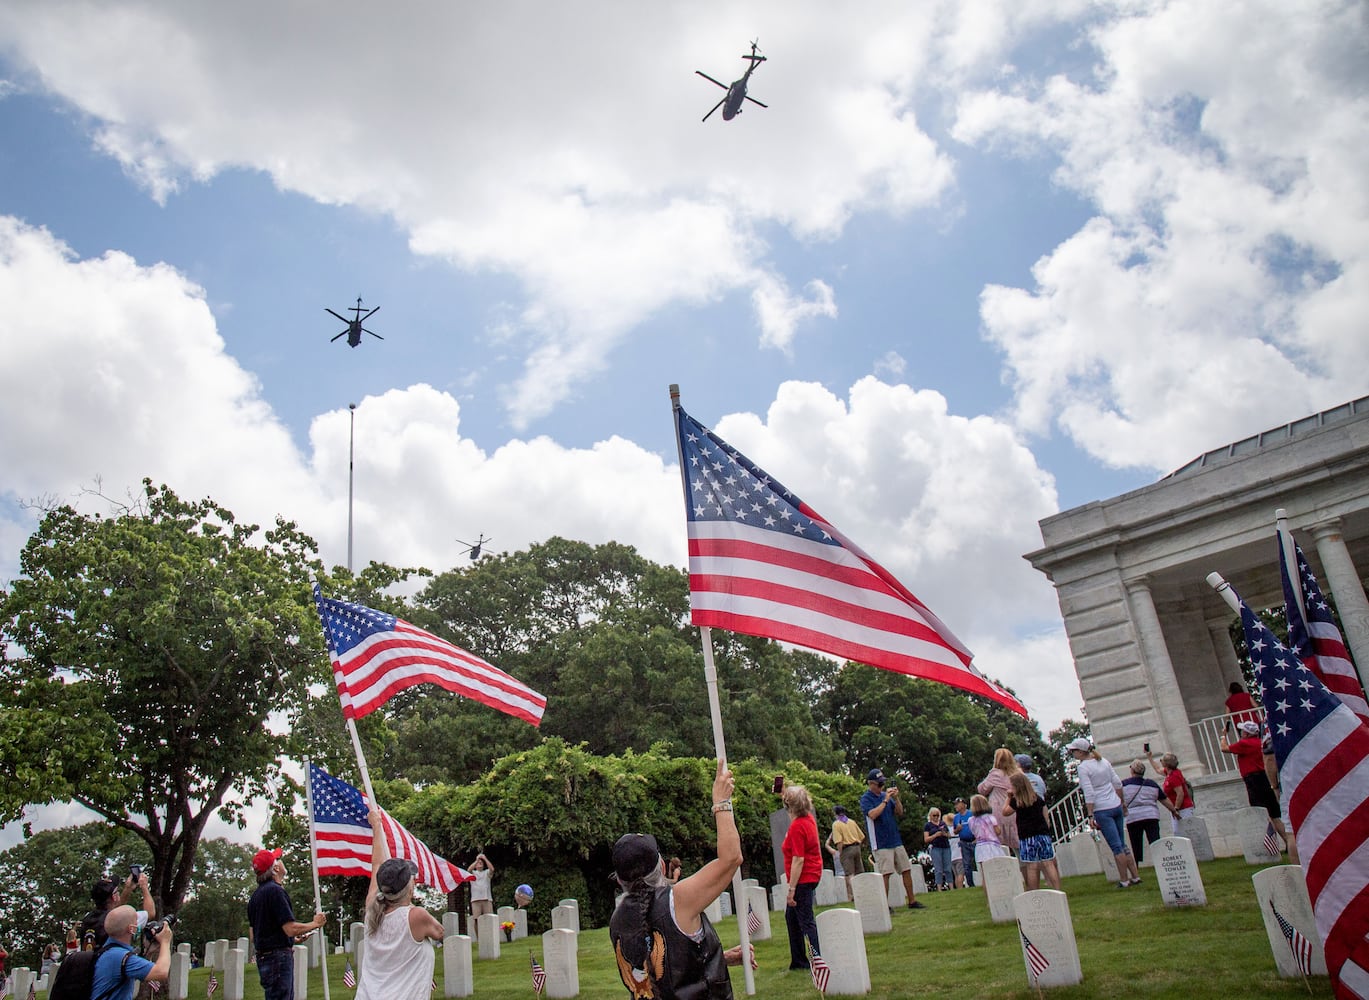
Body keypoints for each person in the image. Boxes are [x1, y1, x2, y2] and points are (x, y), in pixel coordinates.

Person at [610, 759, 749, 999]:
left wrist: (720, 958)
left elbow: (653, 973)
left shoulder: (618, 920)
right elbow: (731, 859)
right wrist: (721, 802)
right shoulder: (678, 900)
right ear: (661, 866)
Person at [355, 808, 444, 999]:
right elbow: (439, 932)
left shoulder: (372, 908)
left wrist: (377, 827)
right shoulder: (416, 916)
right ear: (409, 888)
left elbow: (376, 865)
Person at [247, 846, 327, 1000]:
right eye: (278, 859)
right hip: (278, 959)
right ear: (275, 868)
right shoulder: (276, 891)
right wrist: (315, 923)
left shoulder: (255, 897)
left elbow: (254, 935)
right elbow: (290, 928)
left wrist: (291, 940)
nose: (282, 861)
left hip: (265, 958)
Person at [1067, 737, 1141, 888]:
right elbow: (1118, 784)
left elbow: (1089, 793)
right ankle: (1135, 876)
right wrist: (1122, 803)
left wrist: (1090, 814)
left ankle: (1124, 880)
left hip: (1102, 808)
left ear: (1081, 752)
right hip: (1115, 804)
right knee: (1122, 842)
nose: (1072, 753)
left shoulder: (1084, 768)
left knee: (1116, 846)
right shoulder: (1103, 761)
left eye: (1073, 751)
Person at [1220, 720, 1292, 854]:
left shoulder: (1245, 744)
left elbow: (1224, 748)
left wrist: (1223, 736)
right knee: (1275, 813)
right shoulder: (1260, 743)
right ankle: (1288, 841)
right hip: (1265, 777)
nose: (1241, 733)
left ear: (1247, 733)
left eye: (1242, 731)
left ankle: (1270, 845)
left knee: (1261, 812)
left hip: (1253, 779)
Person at [859, 768, 925, 909]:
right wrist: (885, 800)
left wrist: (896, 798)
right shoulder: (866, 798)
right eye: (879, 784)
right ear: (871, 784)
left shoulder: (886, 796)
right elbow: (872, 815)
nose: (881, 787)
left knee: (906, 869)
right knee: (886, 873)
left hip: (895, 839)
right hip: (881, 842)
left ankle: (912, 901)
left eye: (882, 784)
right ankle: (885, 905)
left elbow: (899, 812)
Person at [780, 784, 822, 971]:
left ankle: (816, 959)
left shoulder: (797, 827)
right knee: (792, 918)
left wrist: (792, 889)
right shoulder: (808, 819)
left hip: (803, 879)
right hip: (812, 874)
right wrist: (786, 795)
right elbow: (792, 810)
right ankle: (798, 960)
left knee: (805, 920)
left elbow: (798, 859)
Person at [92, 905, 172, 1000]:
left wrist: (148, 951)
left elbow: (136, 970)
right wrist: (165, 942)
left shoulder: (109, 950)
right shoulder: (119, 956)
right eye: (136, 920)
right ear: (132, 929)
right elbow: (161, 972)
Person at [1001, 773, 1061, 891]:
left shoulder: (1017, 801)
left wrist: (1008, 797)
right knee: (1048, 864)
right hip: (1042, 833)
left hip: (1027, 836)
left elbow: (1005, 812)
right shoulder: (1036, 798)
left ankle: (1034, 892)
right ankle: (1058, 890)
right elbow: (1045, 814)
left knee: (1032, 866)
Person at [80, 873, 156, 949]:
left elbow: (115, 912)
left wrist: (127, 889)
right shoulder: (120, 921)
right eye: (117, 891)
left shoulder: (87, 918)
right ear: (114, 897)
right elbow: (150, 913)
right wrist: (144, 887)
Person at [1121, 759, 1174, 862]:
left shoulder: (1124, 784)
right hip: (1151, 816)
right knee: (1155, 841)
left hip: (1133, 817)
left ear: (1132, 770)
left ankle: (1136, 868)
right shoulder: (1151, 784)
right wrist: (1174, 810)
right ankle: (1160, 862)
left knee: (1135, 844)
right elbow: (1164, 799)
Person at [978, 749, 1022, 854]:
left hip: (999, 812)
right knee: (1019, 845)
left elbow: (982, 789)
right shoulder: (1018, 775)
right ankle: (1025, 868)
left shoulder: (995, 774)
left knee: (1000, 846)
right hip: (1015, 810)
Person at [1146, 749, 1195, 833]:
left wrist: (1176, 808)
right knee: (1178, 833)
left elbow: (1180, 793)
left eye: (1162, 760)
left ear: (1167, 764)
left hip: (1183, 809)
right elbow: (1157, 769)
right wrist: (1150, 757)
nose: (1160, 761)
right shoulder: (1169, 773)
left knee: (1184, 833)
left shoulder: (1174, 776)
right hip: (1177, 810)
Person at [824, 805, 865, 902]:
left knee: (849, 873)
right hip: (856, 847)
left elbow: (839, 841)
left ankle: (853, 895)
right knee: (859, 872)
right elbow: (862, 836)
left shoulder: (836, 824)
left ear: (835, 814)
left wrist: (841, 853)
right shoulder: (851, 822)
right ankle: (863, 892)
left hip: (846, 849)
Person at [968, 794, 1007, 864]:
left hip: (980, 848)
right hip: (993, 846)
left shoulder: (971, 820)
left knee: (983, 868)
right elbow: (998, 832)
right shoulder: (991, 818)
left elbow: (973, 833)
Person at [922, 808, 953, 891]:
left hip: (945, 847)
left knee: (948, 868)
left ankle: (951, 887)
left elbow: (949, 835)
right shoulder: (928, 825)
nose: (936, 817)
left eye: (937, 815)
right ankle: (939, 888)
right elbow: (926, 839)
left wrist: (944, 834)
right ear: (930, 816)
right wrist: (935, 835)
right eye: (934, 815)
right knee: (938, 869)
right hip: (935, 847)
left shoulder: (943, 823)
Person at [951, 798, 976, 888]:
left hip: (973, 841)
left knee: (978, 862)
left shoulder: (971, 814)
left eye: (958, 804)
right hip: (964, 842)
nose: (956, 806)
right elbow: (955, 832)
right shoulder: (956, 817)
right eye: (955, 804)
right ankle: (971, 884)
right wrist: (958, 829)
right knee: (967, 865)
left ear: (964, 804)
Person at [468, 853, 495, 920]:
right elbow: (469, 870)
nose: (479, 864)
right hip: (475, 899)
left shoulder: (486, 872)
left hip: (487, 899)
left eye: (481, 863)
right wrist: (477, 860)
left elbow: (492, 869)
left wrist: (485, 858)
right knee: (476, 919)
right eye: (478, 863)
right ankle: (477, 931)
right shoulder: (473, 873)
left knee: (489, 919)